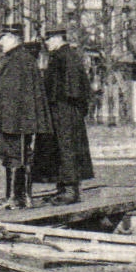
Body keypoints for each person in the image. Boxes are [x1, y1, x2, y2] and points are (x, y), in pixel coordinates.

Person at [0, 29, 53, 208]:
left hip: (13, 121)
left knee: (13, 156)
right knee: (21, 156)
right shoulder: (21, 59)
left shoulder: (17, 60)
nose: (0, 43)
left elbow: (12, 94)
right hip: (16, 120)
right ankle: (23, 198)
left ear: (12, 38)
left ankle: (13, 198)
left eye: (2, 38)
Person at [41, 29, 94, 204]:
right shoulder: (64, 55)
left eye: (48, 39)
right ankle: (64, 188)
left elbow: (72, 88)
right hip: (65, 109)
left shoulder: (65, 57)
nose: (46, 43)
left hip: (65, 109)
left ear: (57, 38)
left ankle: (70, 191)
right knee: (62, 147)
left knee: (67, 147)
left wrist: (64, 105)